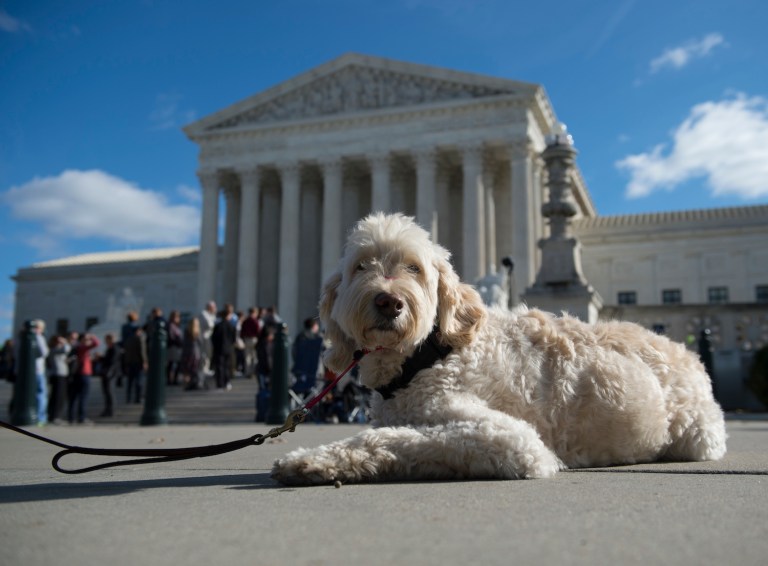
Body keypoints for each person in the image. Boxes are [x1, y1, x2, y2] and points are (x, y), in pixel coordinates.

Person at [68, 332, 99, 424]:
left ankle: (72, 417)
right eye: (86, 339)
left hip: (79, 374)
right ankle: (81, 417)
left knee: (75, 397)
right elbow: (96, 343)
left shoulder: (78, 348)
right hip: (84, 374)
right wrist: (92, 336)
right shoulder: (82, 347)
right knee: (83, 397)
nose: (88, 341)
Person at [291, 318, 324, 393]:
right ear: (314, 326)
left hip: (300, 374)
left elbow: (294, 353)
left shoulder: (299, 337)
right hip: (315, 375)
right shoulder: (318, 339)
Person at [211, 304, 236, 391]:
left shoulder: (218, 326)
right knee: (227, 366)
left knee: (220, 367)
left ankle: (220, 384)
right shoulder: (231, 326)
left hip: (219, 349)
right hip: (228, 349)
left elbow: (213, 338)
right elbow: (234, 338)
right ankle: (227, 382)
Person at [47, 335, 70, 425]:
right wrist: (65, 342)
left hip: (62, 374)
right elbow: (66, 349)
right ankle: (54, 416)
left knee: (61, 396)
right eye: (59, 341)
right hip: (57, 375)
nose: (60, 343)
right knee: (57, 396)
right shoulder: (54, 349)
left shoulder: (56, 350)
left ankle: (57, 415)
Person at [123, 326, 147, 404]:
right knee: (139, 381)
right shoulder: (140, 338)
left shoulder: (128, 339)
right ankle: (138, 398)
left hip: (130, 362)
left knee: (130, 381)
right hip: (138, 362)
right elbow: (142, 351)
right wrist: (145, 361)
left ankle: (128, 398)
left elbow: (126, 352)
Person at [32, 320, 50, 426]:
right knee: (41, 393)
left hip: (31, 371)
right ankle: (40, 418)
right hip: (38, 370)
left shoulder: (23, 337)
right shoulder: (38, 337)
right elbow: (44, 352)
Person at [181, 317, 206, 390]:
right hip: (195, 353)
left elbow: (184, 343)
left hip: (187, 352)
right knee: (195, 369)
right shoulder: (197, 332)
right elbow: (201, 342)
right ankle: (194, 383)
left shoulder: (187, 331)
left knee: (187, 370)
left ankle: (187, 384)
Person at [98, 333, 119, 417]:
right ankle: (107, 409)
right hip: (107, 372)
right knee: (106, 392)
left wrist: (108, 371)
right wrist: (101, 358)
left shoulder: (114, 348)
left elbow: (113, 362)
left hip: (110, 373)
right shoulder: (110, 348)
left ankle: (111, 410)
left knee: (109, 392)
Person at [239, 307, 262, 379]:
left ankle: (247, 372)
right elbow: (258, 331)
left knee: (247, 357)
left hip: (246, 339)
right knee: (254, 356)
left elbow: (242, 331)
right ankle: (253, 372)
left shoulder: (245, 321)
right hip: (254, 339)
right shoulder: (255, 321)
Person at [199, 301, 217, 374]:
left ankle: (206, 368)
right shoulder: (204, 314)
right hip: (205, 337)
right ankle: (203, 369)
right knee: (205, 354)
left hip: (209, 338)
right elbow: (210, 325)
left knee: (209, 354)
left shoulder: (211, 315)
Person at [166, 310, 183, 386]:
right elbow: (172, 337)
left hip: (176, 346)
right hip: (173, 347)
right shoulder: (171, 326)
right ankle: (171, 380)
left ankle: (173, 379)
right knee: (172, 363)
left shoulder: (176, 326)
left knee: (173, 363)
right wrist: (178, 342)